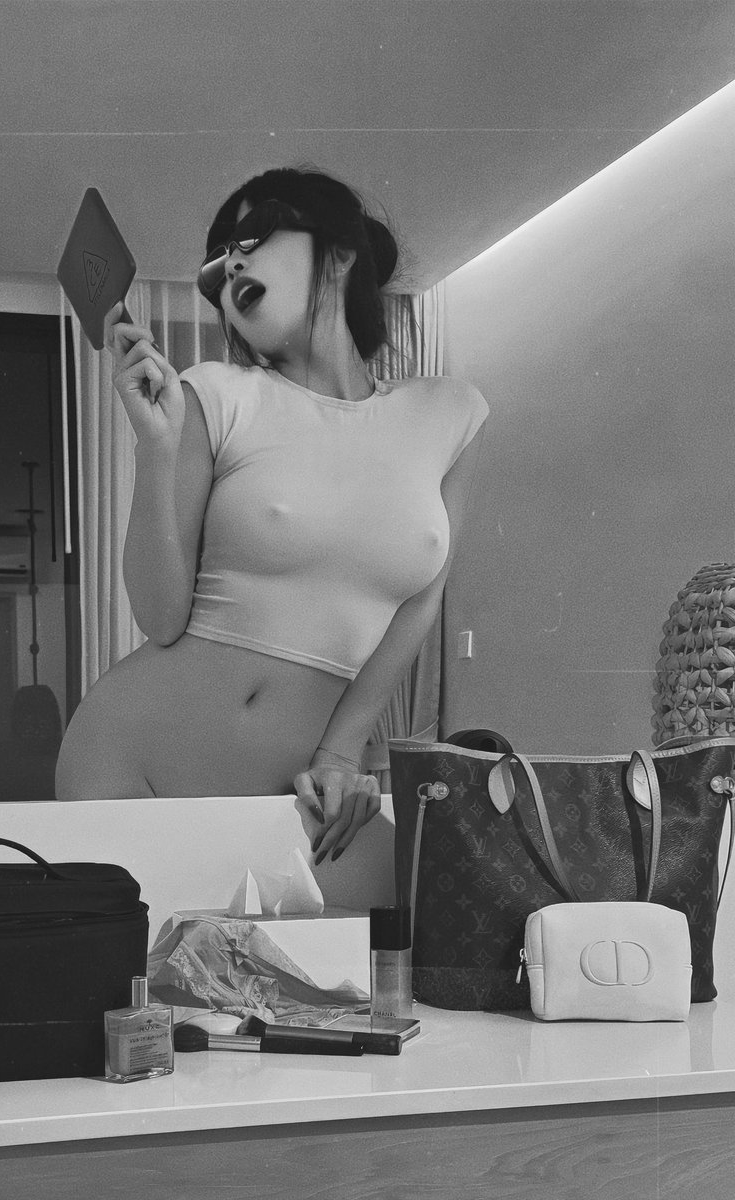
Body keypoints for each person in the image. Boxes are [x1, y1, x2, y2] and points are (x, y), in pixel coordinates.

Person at [55, 166, 488, 865]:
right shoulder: (214, 394)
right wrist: (155, 448)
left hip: (297, 797)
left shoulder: (448, 414)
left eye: (253, 237)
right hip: (131, 763)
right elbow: (160, 617)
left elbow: (421, 603)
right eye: (217, 265)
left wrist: (342, 750)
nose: (231, 265)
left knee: (382, 927)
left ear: (340, 254)